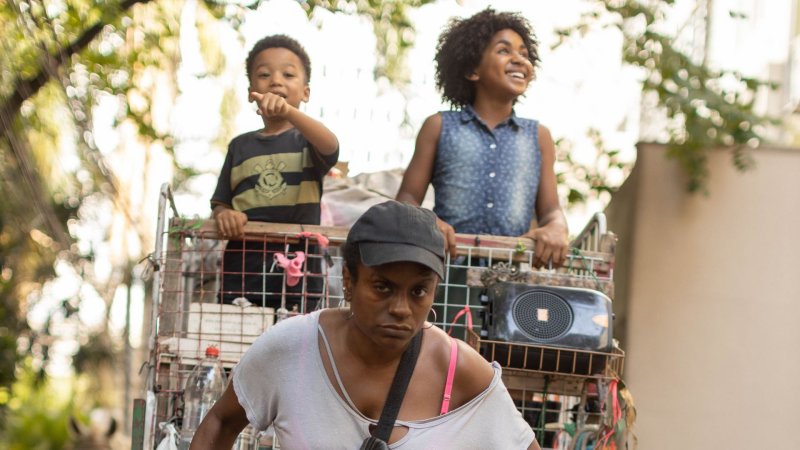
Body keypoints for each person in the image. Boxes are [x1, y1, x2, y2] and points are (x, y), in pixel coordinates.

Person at [189, 201, 542, 449]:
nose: (401, 309)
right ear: (349, 281)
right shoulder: (292, 348)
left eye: (418, 291)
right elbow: (219, 423)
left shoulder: (460, 370)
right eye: (382, 287)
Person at [396, 8, 568, 269]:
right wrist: (428, 222)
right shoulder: (438, 126)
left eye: (524, 54)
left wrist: (556, 227)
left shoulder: (539, 136)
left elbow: (551, 211)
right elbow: (407, 199)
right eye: (504, 50)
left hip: (511, 275)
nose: (519, 60)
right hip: (446, 274)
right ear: (472, 70)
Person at [211, 35, 339, 314]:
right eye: (264, 74)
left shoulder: (308, 142)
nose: (276, 81)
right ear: (251, 91)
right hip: (242, 272)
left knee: (295, 335)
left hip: (299, 275)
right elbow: (220, 202)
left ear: (305, 92)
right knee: (237, 335)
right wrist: (225, 215)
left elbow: (331, 145)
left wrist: (290, 113)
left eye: (288, 74)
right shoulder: (239, 146)